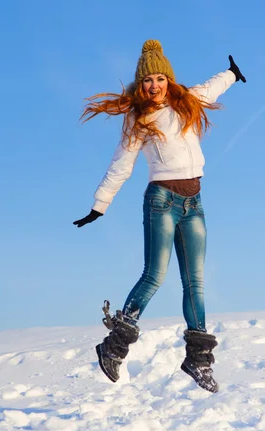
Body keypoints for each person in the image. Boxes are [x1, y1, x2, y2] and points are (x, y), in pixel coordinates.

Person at [74, 40, 246, 393]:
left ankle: (198, 360)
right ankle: (114, 347)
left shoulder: (188, 101)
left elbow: (212, 86)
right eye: (147, 80)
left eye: (159, 78)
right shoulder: (139, 118)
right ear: (140, 85)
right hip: (161, 201)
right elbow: (121, 166)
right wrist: (99, 205)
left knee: (195, 282)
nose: (153, 85)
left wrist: (231, 73)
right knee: (154, 275)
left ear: (168, 79)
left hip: (194, 202)